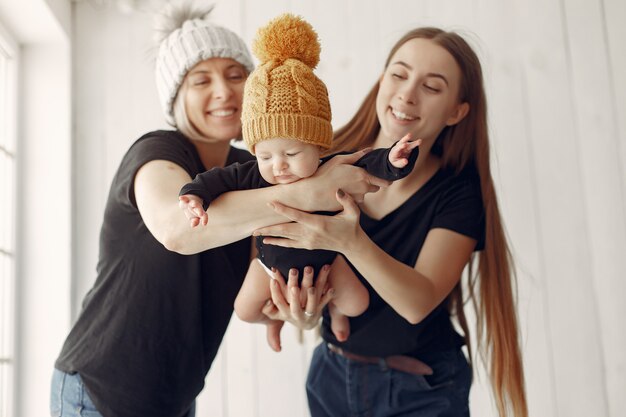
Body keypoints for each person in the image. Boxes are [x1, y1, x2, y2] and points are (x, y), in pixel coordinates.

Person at [49, 2, 387, 417]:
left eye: (235, 75)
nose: (224, 91)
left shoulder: (255, 170)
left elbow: (265, 262)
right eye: (200, 80)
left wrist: (289, 311)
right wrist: (318, 190)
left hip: (176, 395)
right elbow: (178, 230)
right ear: (175, 95)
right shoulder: (156, 152)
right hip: (101, 386)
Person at [256, 27, 528, 417]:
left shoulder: (458, 193)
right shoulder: (319, 159)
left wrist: (351, 241)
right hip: (331, 375)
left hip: (420, 390)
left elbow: (417, 302)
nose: (407, 94)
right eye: (399, 75)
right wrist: (303, 310)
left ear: (457, 111)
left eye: (432, 87)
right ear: (382, 80)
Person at [178, 14, 421, 345]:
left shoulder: (330, 166)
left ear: (318, 145)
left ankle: (332, 312)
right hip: (269, 266)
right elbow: (214, 180)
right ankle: (274, 321)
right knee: (245, 310)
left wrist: (393, 160)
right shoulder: (250, 173)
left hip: (328, 261)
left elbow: (369, 161)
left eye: (291, 154)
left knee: (356, 303)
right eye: (265, 156)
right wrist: (194, 195)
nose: (278, 166)